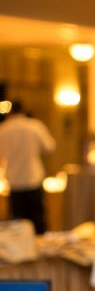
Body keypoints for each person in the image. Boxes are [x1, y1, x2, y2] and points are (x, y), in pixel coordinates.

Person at [0, 99, 55, 233]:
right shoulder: (34, 126)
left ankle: (23, 251)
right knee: (38, 221)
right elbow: (50, 147)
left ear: (10, 112)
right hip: (33, 178)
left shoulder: (4, 129)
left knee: (18, 224)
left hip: (14, 180)